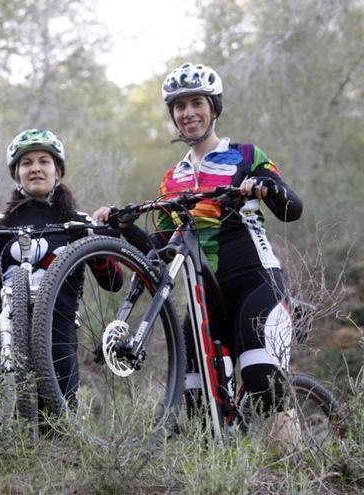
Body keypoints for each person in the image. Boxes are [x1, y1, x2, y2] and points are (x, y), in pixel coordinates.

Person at [94, 62, 304, 418]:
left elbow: (292, 209)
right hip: (203, 300)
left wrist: (264, 188)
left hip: (255, 283)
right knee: (196, 403)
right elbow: (158, 255)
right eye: (179, 106)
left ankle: (294, 469)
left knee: (263, 383)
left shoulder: (247, 155)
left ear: (214, 107)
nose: (188, 113)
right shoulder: (171, 179)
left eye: (196, 103)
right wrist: (123, 226)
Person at [0, 129, 121, 395]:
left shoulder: (79, 222)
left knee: (54, 430)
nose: (35, 168)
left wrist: (96, 243)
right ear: (16, 174)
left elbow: (113, 282)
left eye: (44, 161)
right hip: (7, 326)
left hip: (57, 327)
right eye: (26, 163)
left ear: (58, 171)